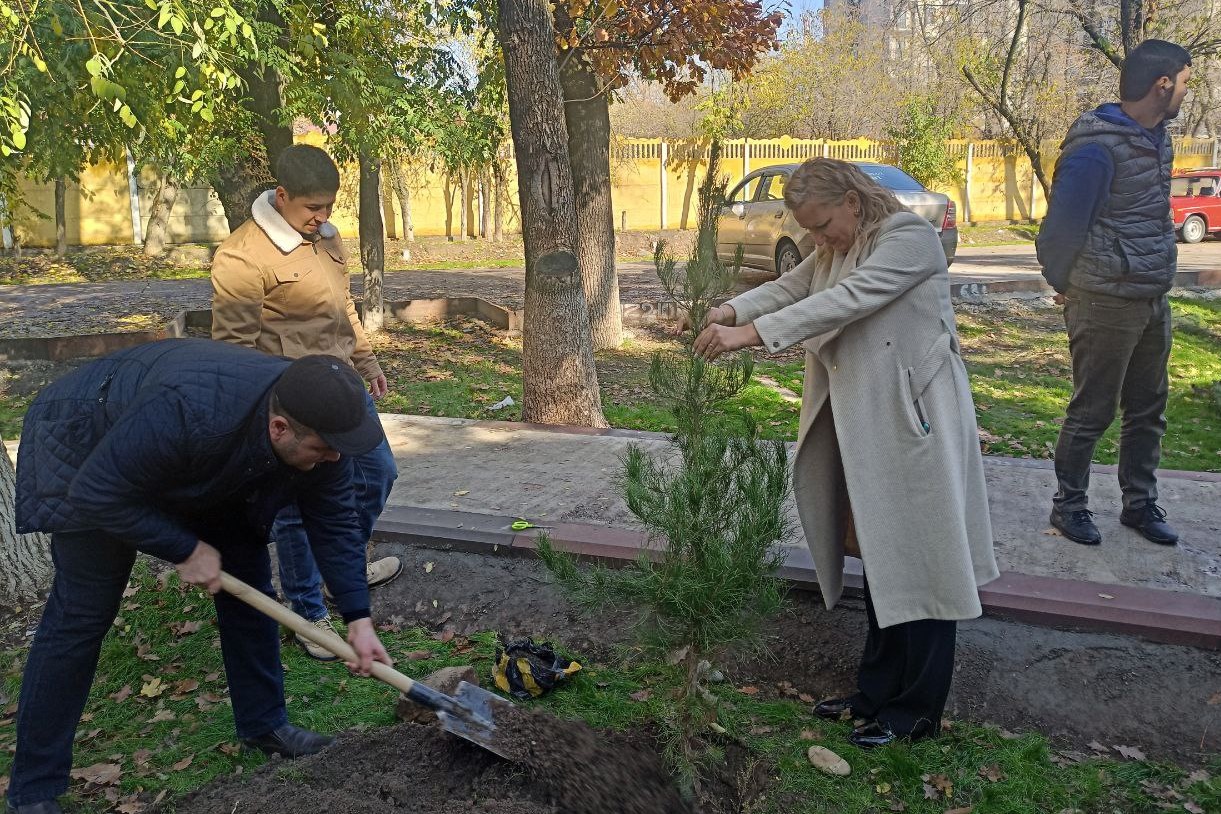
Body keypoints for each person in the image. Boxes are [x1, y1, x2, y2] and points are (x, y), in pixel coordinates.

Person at [6, 339, 393, 814]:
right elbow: (97, 493)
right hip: (85, 439)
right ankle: (34, 790)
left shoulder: (323, 430)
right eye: (323, 450)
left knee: (248, 587)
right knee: (82, 615)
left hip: (197, 455)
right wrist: (185, 548)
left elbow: (335, 525)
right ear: (279, 428)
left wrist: (358, 617)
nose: (333, 459)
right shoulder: (188, 410)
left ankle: (264, 725)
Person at [693, 158, 999, 748]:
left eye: (821, 224)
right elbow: (794, 285)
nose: (816, 239)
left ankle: (916, 712)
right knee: (886, 558)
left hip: (917, 421)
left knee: (925, 562)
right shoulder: (840, 244)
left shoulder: (909, 239)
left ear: (852, 203)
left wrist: (751, 334)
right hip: (872, 422)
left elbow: (848, 299)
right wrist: (732, 310)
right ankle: (875, 694)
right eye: (807, 229)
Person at [211, 143, 402, 660]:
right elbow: (232, 349)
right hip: (292, 402)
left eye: (329, 207)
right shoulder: (242, 256)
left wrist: (367, 362)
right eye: (312, 208)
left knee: (378, 474)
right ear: (282, 196)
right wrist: (257, 415)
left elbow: (344, 308)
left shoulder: (328, 239)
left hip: (342, 387)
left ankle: (342, 571)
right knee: (296, 511)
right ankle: (308, 612)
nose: (322, 217)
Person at [1036, 40, 1191, 548]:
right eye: (1184, 82)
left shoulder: (1157, 138)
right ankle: (1069, 505)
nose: (1186, 92)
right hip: (1104, 299)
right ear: (1162, 84)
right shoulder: (1096, 148)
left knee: (1148, 408)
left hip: (1151, 295)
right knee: (1092, 412)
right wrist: (1068, 287)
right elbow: (1060, 230)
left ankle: (1139, 504)